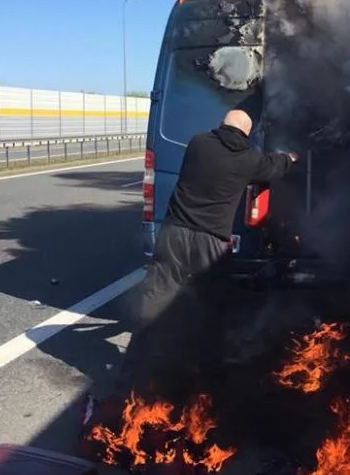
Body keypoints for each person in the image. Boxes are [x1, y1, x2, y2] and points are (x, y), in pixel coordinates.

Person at [116, 109, 298, 397]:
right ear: (246, 134)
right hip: (211, 242)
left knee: (158, 293)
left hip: (175, 233)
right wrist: (290, 157)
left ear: (222, 124)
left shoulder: (198, 143)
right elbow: (275, 166)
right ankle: (204, 372)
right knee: (213, 304)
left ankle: (138, 364)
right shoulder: (249, 160)